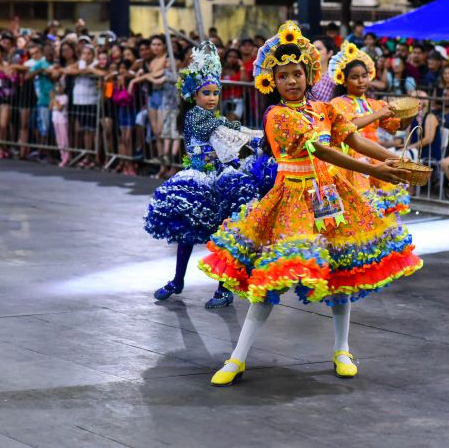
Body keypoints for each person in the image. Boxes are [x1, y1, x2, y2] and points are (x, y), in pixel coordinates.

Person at [198, 22, 422, 386]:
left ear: (309, 74)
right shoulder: (277, 116)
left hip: (329, 196)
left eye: (297, 74)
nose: (291, 81)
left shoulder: (324, 109)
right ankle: (237, 358)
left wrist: (391, 158)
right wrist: (374, 167)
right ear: (272, 80)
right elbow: (320, 149)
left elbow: (356, 141)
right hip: (289, 201)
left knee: (342, 275)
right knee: (271, 281)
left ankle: (342, 348)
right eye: (283, 75)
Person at [143, 41, 277, 309]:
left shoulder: (209, 116)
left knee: (223, 235)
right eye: (207, 93)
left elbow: (230, 127)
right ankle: (179, 280)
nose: (213, 98)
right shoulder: (196, 117)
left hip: (218, 179)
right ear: (194, 95)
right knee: (186, 234)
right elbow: (227, 132)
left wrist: (259, 134)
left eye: (216, 92)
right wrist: (254, 137)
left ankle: (223, 289)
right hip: (198, 179)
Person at [329, 41, 410, 216]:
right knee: (362, 210)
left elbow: (396, 127)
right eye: (355, 77)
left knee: (384, 211)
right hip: (351, 163)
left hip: (376, 158)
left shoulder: (374, 104)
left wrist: (410, 111)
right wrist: (378, 114)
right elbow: (348, 127)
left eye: (364, 76)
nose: (361, 81)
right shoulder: (337, 104)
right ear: (344, 80)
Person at [308, 35, 337, 102]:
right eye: (312, 49)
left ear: (329, 53)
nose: (314, 52)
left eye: (318, 49)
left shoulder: (334, 78)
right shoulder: (305, 74)